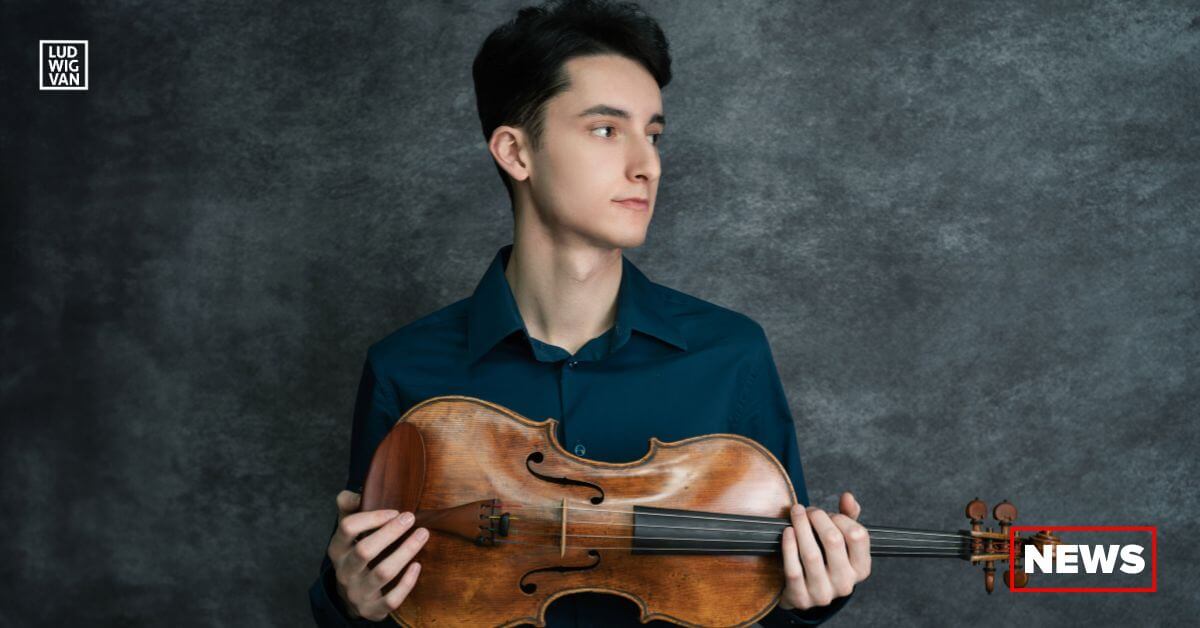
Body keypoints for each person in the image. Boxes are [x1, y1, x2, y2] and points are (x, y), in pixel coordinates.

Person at [308, 1, 870, 625]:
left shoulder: (732, 355)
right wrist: (350, 601)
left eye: (653, 135)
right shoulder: (404, 369)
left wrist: (806, 597)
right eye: (606, 130)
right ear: (516, 152)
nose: (647, 165)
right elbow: (389, 596)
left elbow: (758, 596)